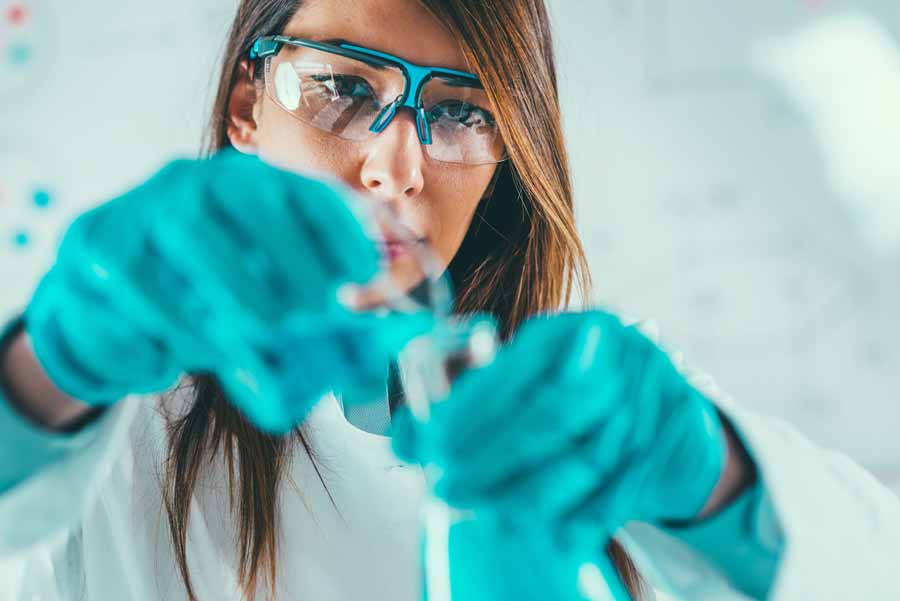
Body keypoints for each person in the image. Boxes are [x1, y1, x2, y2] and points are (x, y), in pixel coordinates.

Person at [0, 1, 898, 600]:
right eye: (344, 89)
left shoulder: (604, 422)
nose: (394, 167)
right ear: (247, 104)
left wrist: (718, 485)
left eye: (462, 112)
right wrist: (44, 376)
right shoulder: (119, 436)